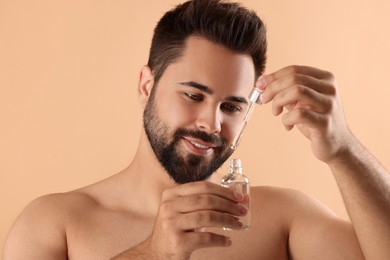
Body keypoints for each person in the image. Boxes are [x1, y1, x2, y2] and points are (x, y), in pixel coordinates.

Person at [3, 0, 390, 259]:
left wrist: (344, 151)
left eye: (232, 106)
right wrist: (152, 253)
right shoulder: (55, 224)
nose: (212, 123)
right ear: (145, 86)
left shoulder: (284, 219)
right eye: (193, 95)